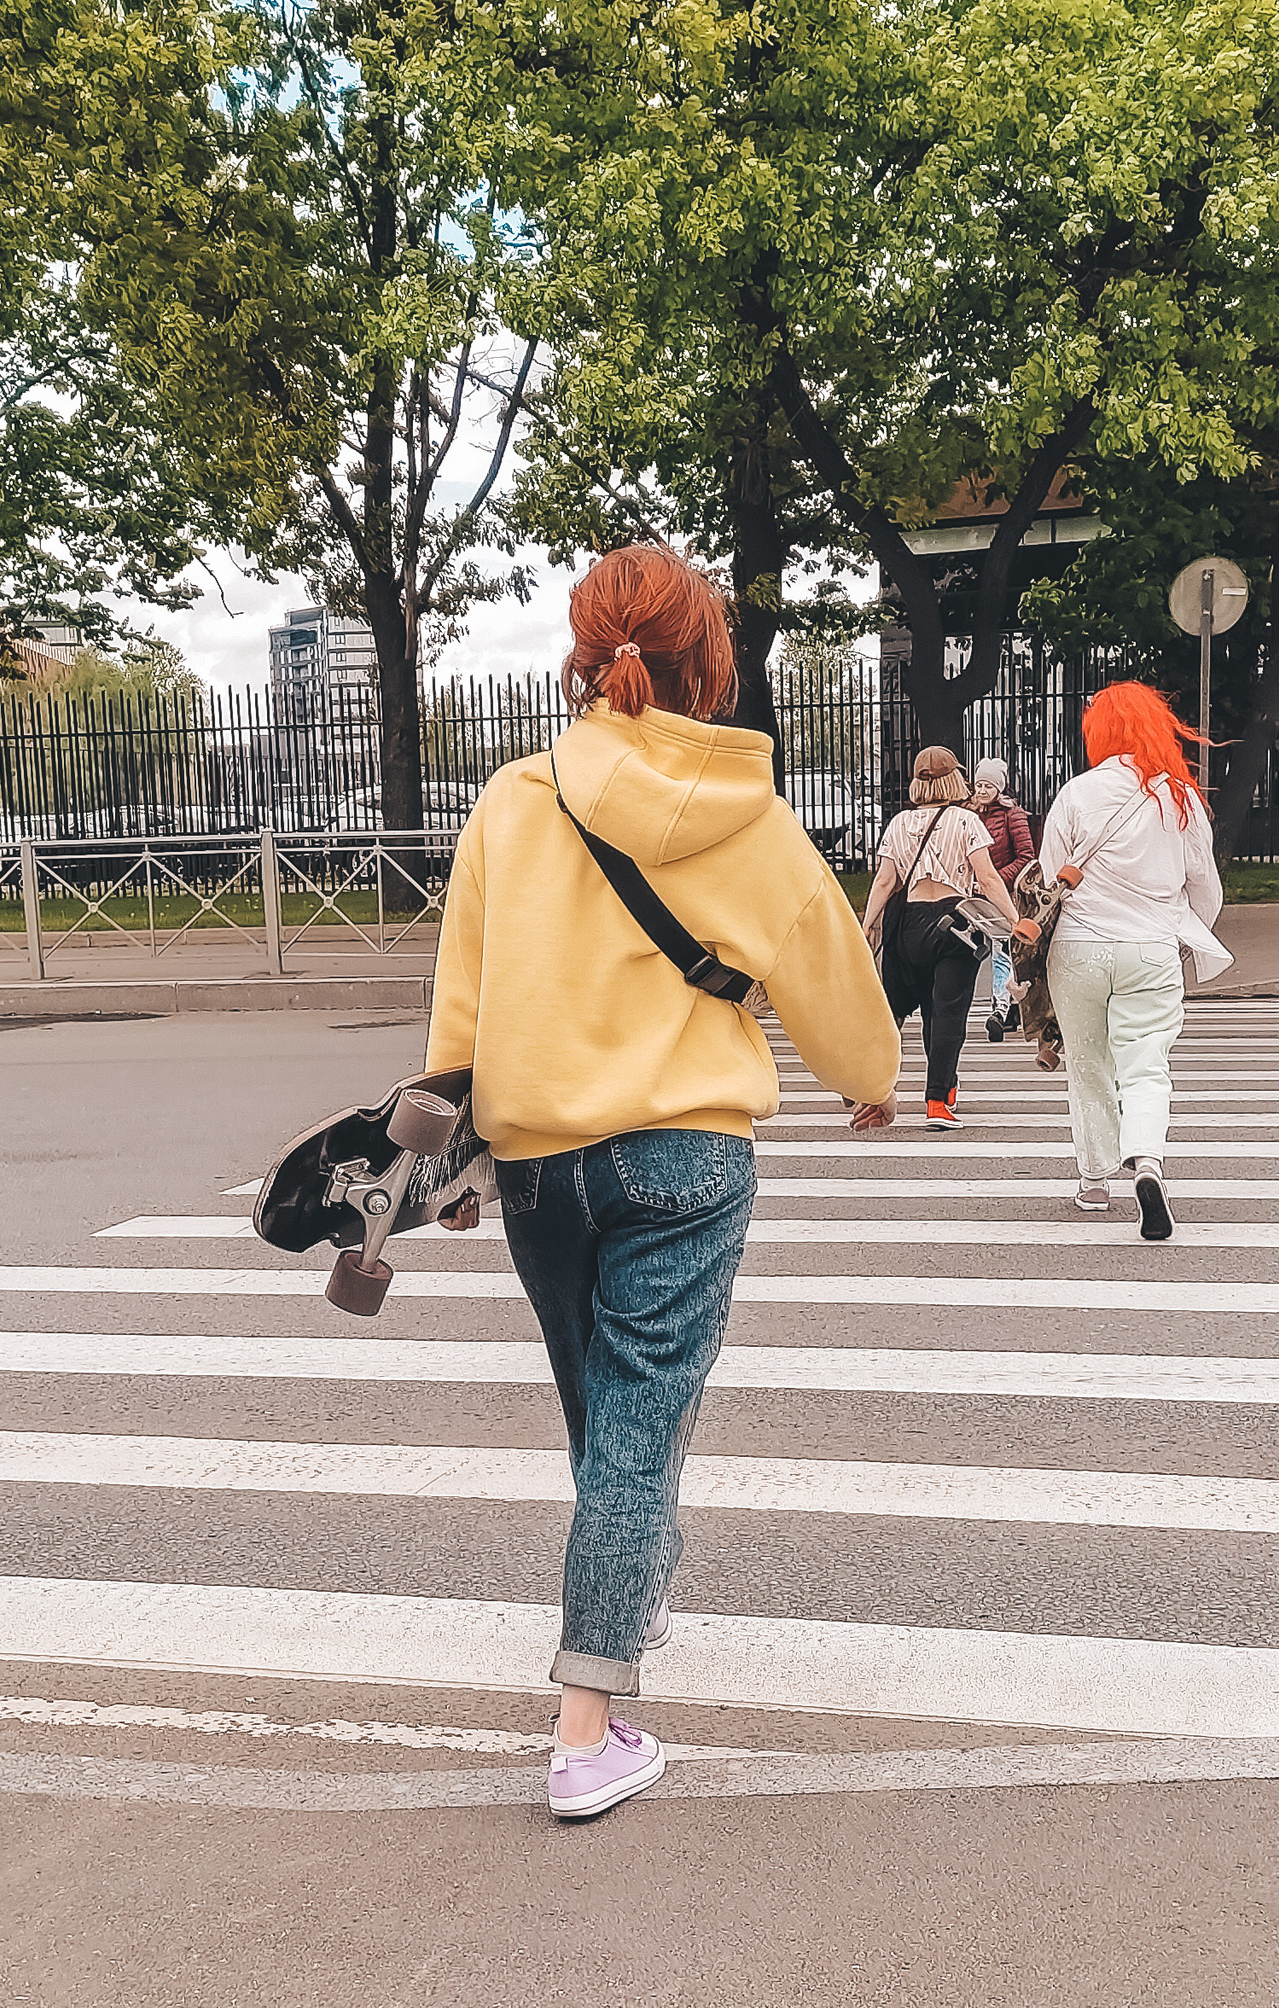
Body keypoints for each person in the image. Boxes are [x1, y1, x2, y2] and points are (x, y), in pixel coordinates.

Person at [424, 543, 898, 1821]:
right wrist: (868, 1072)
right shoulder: (746, 808)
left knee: (603, 1420)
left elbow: (461, 997)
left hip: (533, 1158)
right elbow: (829, 967)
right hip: (686, 1149)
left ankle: (624, 1585)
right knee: (637, 1429)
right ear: (708, 657)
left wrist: (448, 1152)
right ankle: (587, 1731)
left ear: (584, 653)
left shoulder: (512, 799)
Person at [1038, 682, 1232, 1241]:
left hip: (1078, 947)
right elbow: (1205, 886)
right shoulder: (1180, 797)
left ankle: (1095, 1181)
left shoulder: (1076, 793)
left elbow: (1053, 876)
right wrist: (1186, 933)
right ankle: (1146, 1162)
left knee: (1088, 1063)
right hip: (1151, 947)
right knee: (1146, 1065)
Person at [856, 745, 1038, 1129]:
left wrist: (867, 924)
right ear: (956, 778)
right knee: (946, 1015)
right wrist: (1015, 918)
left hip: (906, 922)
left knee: (902, 1009)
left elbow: (886, 881)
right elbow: (987, 878)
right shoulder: (966, 820)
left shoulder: (899, 823)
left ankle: (867, 1082)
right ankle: (938, 1101)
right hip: (954, 923)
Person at [971, 756, 1040, 1039]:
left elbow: (1026, 856)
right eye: (979, 785)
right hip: (973, 896)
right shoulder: (969, 816)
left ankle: (999, 1011)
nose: (983, 791)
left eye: (988, 785)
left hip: (1004, 896)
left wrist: (996, 880)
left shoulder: (1013, 815)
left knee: (1002, 951)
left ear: (1000, 789)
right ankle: (1009, 1008)